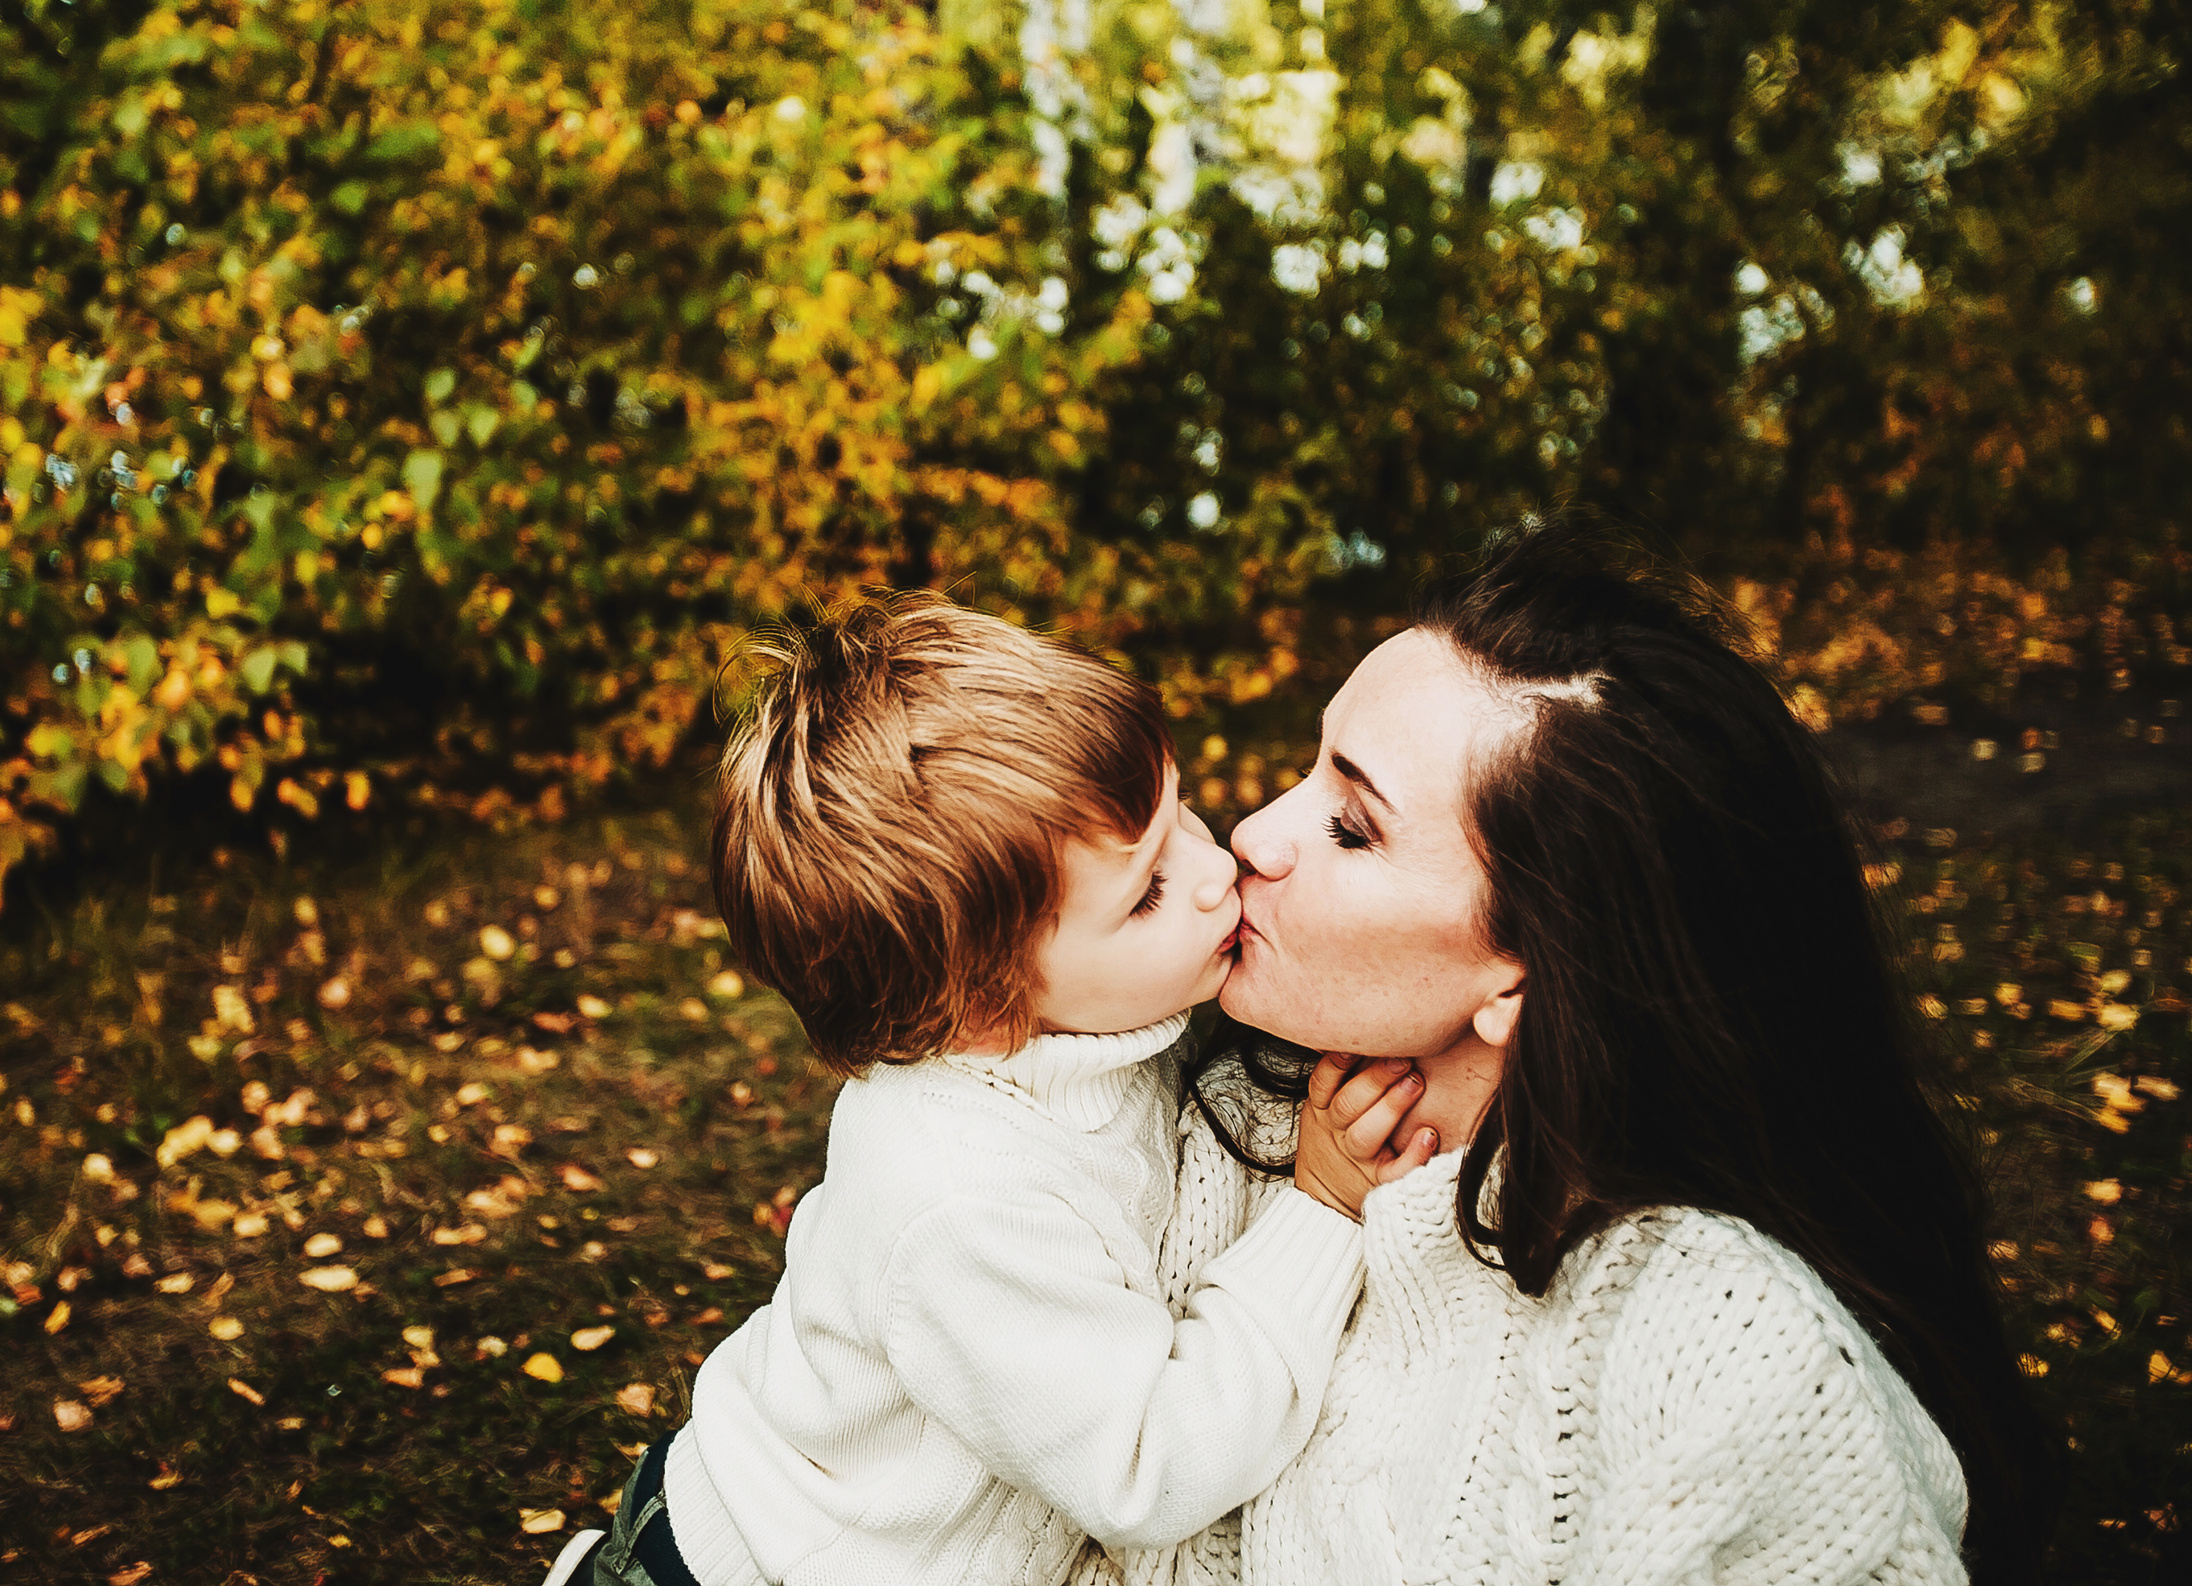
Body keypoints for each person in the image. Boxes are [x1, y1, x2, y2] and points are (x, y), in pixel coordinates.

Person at [1106, 520, 2053, 1586]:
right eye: (1310, 768)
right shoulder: (1184, 1104)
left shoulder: (1726, 1363)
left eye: (1352, 827)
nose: (1255, 835)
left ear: (1526, 972)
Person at [545, 595, 1411, 1586]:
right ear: (984, 1010)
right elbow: (1147, 1466)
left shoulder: (1082, 1019)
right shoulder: (965, 1204)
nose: (1218, 868)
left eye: (1180, 817)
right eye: (1147, 893)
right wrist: (1320, 1211)